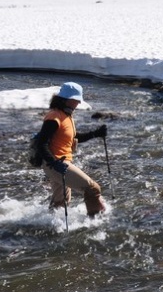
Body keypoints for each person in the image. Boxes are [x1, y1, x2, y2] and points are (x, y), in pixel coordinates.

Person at [35, 82, 108, 216]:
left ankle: (46, 225)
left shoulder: (66, 115)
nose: (78, 103)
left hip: (58, 163)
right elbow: (41, 144)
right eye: (76, 100)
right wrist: (54, 163)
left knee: (61, 204)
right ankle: (96, 220)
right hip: (56, 163)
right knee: (92, 188)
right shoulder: (54, 117)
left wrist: (95, 133)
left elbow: (74, 137)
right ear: (67, 99)